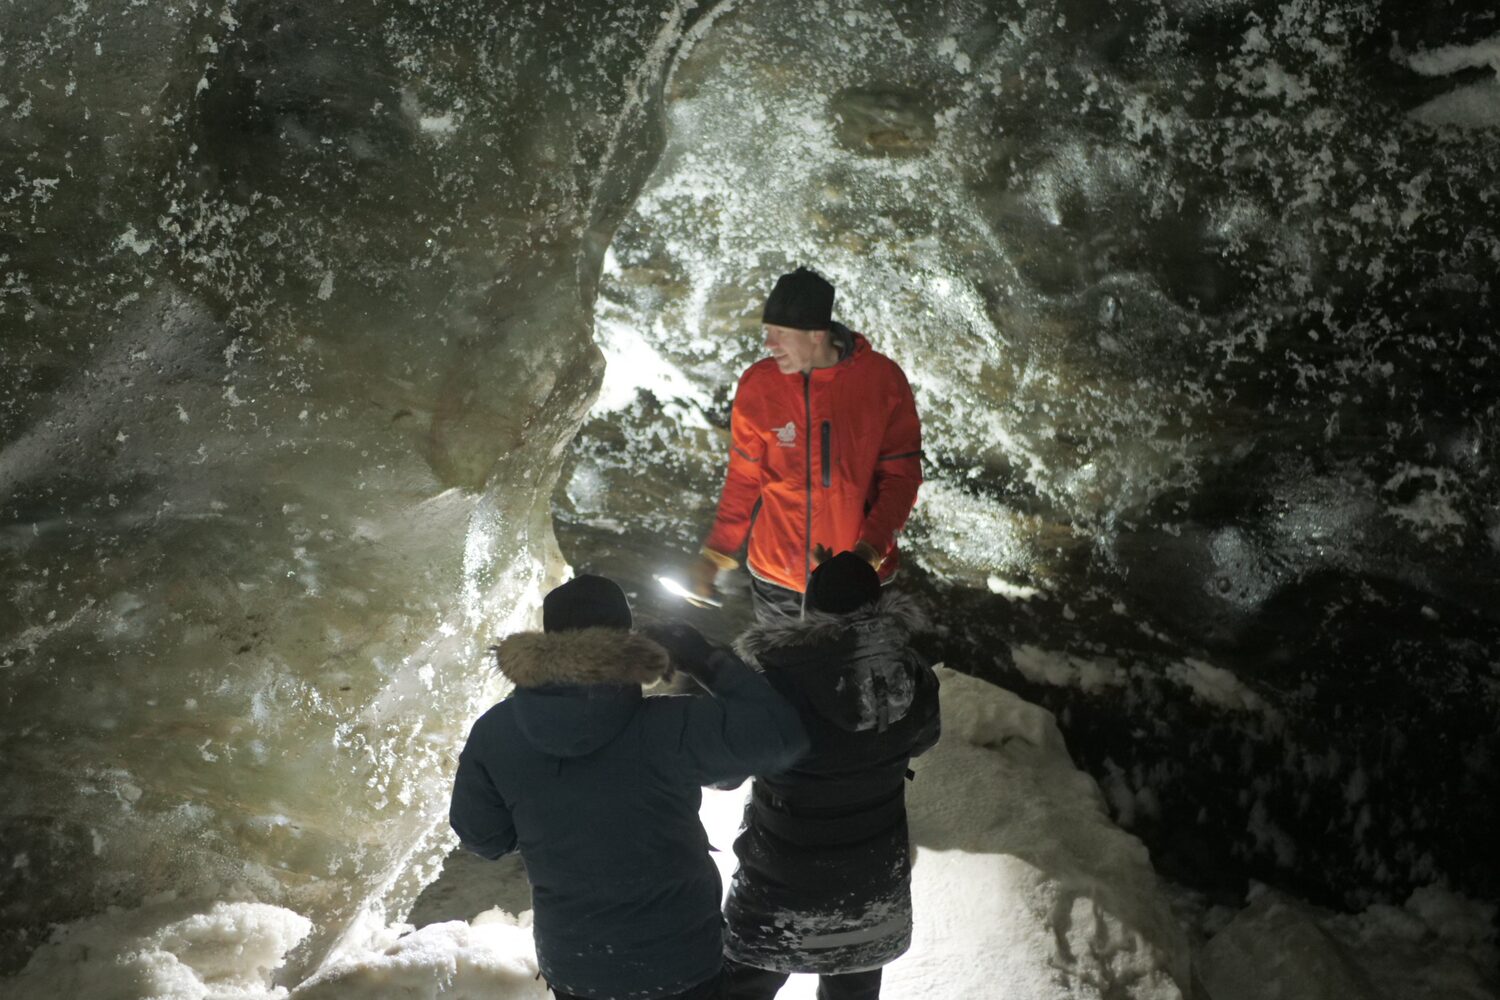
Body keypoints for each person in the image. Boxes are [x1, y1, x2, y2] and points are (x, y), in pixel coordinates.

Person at [450, 574, 809, 1000]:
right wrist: (704, 658)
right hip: (682, 959)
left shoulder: (495, 732)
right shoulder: (669, 725)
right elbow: (782, 736)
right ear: (626, 640)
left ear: (547, 641)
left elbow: (482, 837)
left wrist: (546, 822)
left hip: (574, 964)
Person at [719, 552, 942, 1000]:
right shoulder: (911, 672)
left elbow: (723, 771)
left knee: (740, 988)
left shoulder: (772, 679)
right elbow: (924, 737)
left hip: (778, 893)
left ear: (810, 609)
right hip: (871, 896)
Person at [690, 267, 923, 621]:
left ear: (817, 334)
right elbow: (744, 478)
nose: (769, 344)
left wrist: (866, 555)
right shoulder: (758, 385)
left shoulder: (881, 381)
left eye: (780, 333)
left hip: (854, 579)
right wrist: (715, 554)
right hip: (775, 579)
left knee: (851, 674)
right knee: (778, 673)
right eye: (768, 332)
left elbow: (901, 479)